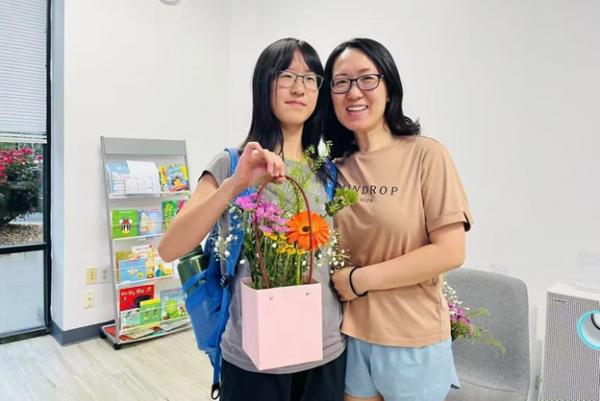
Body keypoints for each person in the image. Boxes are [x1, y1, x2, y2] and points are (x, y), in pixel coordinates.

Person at [158, 38, 346, 401]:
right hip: (252, 359)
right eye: (286, 75)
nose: (298, 88)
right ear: (264, 84)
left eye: (310, 78)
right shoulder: (231, 163)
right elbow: (170, 248)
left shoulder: (329, 173)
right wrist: (236, 184)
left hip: (326, 352)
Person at [324, 38, 473, 401]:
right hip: (349, 338)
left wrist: (359, 280)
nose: (353, 92)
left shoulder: (426, 155)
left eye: (366, 78)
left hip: (413, 340)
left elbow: (450, 251)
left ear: (389, 87)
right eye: (341, 82)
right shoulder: (332, 170)